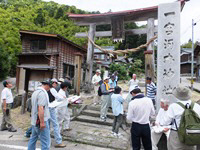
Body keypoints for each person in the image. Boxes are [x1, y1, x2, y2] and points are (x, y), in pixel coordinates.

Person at [160, 85, 200, 150]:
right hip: (192, 134)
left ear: (177, 95)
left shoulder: (173, 106)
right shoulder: (196, 106)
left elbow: (164, 122)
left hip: (176, 134)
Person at [28, 79, 51, 150]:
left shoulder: (35, 92)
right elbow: (41, 108)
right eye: (50, 87)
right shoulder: (42, 93)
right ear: (47, 85)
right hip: (40, 120)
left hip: (34, 120)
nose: (49, 89)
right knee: (45, 141)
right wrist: (42, 122)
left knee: (33, 138)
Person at [48, 78, 66, 148]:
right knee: (55, 125)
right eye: (56, 83)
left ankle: (28, 133)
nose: (56, 85)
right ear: (53, 83)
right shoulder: (52, 89)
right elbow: (58, 98)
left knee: (45, 123)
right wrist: (63, 98)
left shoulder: (45, 89)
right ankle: (58, 141)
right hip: (51, 107)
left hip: (45, 107)